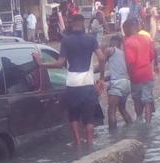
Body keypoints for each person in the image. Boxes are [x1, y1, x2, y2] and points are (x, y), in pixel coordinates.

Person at [34, 13, 106, 147]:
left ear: (72, 24)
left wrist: (41, 63)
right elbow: (102, 58)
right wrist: (101, 78)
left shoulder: (66, 40)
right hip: (87, 83)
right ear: (83, 23)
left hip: (72, 83)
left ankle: (77, 143)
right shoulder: (91, 39)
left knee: (74, 115)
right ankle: (90, 143)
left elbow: (60, 63)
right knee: (89, 117)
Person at [123, 18, 156, 123]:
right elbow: (152, 56)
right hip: (148, 74)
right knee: (147, 100)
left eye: (124, 29)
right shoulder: (147, 39)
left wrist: (129, 75)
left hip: (136, 76)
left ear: (128, 28)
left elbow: (130, 62)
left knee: (137, 100)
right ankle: (148, 123)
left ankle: (139, 119)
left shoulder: (128, 42)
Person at [104, 34, 133, 129]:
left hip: (117, 84)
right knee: (122, 108)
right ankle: (131, 127)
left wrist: (90, 71)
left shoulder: (110, 50)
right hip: (127, 83)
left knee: (111, 111)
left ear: (112, 42)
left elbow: (101, 63)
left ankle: (113, 137)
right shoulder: (124, 53)